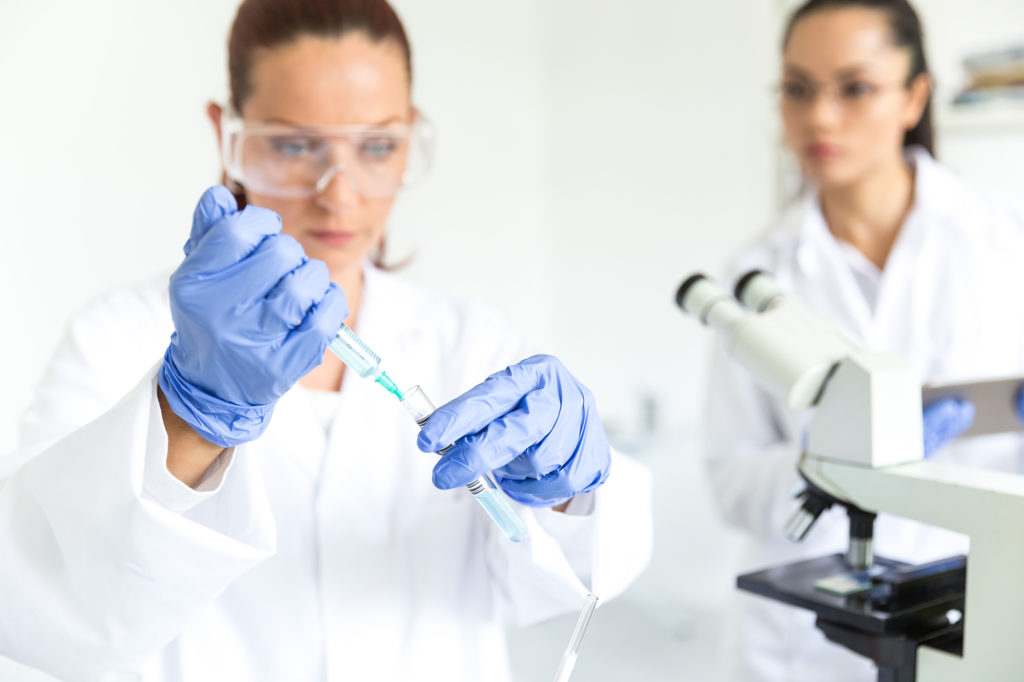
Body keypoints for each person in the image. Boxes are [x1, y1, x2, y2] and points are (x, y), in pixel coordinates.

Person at [0, 1, 652, 680]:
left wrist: (570, 495)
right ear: (228, 134)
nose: (339, 194)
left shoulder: (469, 341)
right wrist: (191, 411)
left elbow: (565, 581)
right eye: (294, 145)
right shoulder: (117, 336)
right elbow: (33, 601)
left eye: (377, 146)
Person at [702, 0, 1024, 680]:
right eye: (797, 89)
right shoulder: (752, 273)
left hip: (969, 619)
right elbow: (730, 481)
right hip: (796, 651)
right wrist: (826, 459)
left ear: (915, 97)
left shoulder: (1005, 240)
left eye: (855, 87)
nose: (819, 117)